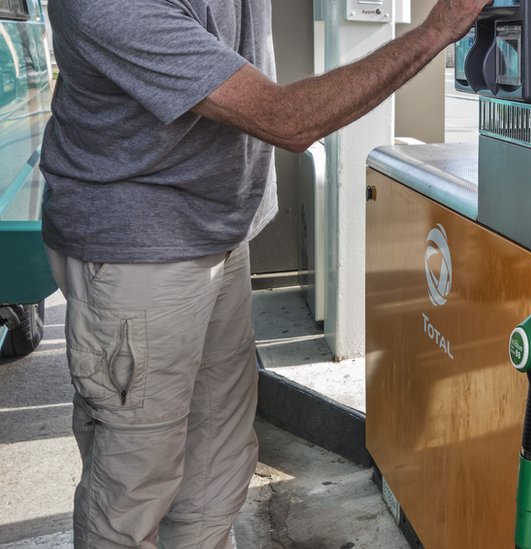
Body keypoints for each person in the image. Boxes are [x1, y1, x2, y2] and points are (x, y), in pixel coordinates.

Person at [39, 0, 490, 547]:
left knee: (217, 462)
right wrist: (437, 30)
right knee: (134, 485)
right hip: (138, 257)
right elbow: (286, 118)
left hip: (220, 236)